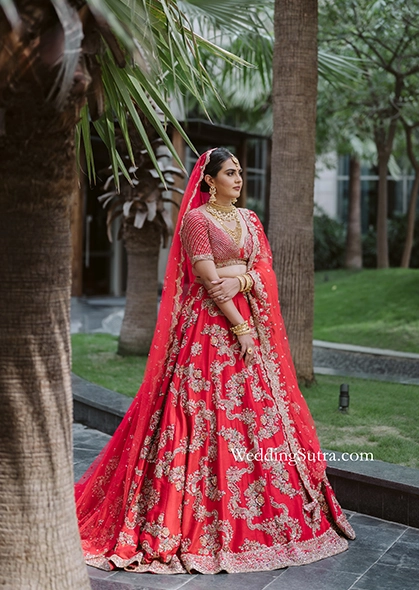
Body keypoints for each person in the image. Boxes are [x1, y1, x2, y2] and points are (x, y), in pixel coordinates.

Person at [75, 148, 355, 575]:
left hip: (246, 318)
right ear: (209, 180)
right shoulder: (196, 220)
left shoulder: (250, 220)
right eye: (229, 173)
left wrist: (241, 280)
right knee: (198, 413)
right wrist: (240, 325)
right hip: (209, 330)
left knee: (257, 415)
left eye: (239, 172)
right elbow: (206, 278)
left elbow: (264, 269)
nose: (238, 179)